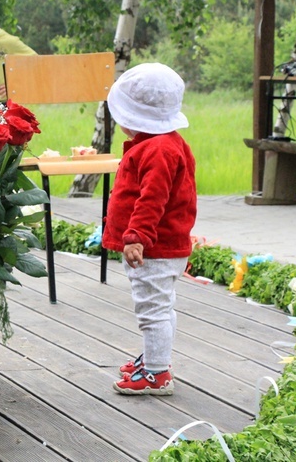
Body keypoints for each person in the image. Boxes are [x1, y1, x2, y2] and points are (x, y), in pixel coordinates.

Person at [102, 63, 197, 395]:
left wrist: (136, 236)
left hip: (154, 248)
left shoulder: (157, 150)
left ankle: (157, 374)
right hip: (166, 246)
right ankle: (157, 359)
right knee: (162, 306)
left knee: (152, 309)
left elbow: (153, 199)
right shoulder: (166, 143)